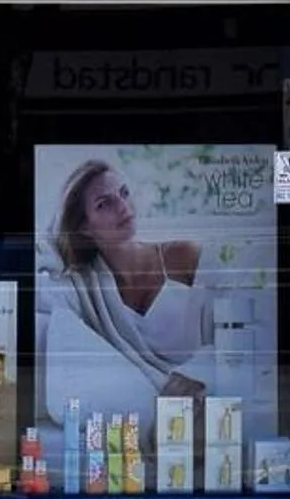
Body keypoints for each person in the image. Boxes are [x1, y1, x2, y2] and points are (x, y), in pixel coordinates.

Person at [43, 158, 209, 413]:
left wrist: (194, 374)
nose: (123, 206)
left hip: (210, 398)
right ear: (84, 228)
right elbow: (42, 269)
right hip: (152, 415)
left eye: (124, 193)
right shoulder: (86, 289)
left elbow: (234, 332)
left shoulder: (183, 256)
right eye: (104, 203)